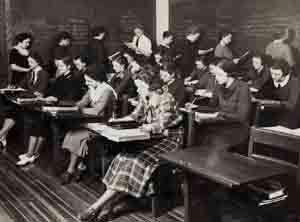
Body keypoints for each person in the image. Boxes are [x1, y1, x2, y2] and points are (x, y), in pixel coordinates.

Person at [77, 79, 183, 222]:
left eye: (140, 87)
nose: (138, 90)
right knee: (123, 158)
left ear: (149, 87)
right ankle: (105, 207)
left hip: (169, 141)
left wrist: (149, 126)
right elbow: (134, 116)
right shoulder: (145, 98)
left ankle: (96, 208)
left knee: (136, 161)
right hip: (152, 139)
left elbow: (162, 123)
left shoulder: (165, 98)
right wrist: (116, 122)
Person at [16, 56, 85, 166]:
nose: (59, 68)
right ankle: (33, 154)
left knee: (39, 123)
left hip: (65, 111)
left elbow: (72, 99)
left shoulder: (73, 79)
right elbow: (51, 91)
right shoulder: (61, 77)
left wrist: (56, 99)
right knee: (38, 123)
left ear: (68, 66)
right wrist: (46, 96)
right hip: (54, 107)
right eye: (59, 66)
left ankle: (30, 154)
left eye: (62, 66)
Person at [60, 68, 116, 184]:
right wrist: (75, 106)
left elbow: (97, 111)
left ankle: (71, 170)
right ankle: (80, 166)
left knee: (76, 136)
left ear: (97, 79)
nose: (87, 83)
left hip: (105, 124)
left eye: (89, 81)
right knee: (71, 133)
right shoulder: (93, 88)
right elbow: (83, 102)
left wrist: (79, 109)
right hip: (93, 122)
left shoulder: (107, 91)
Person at [194, 59, 251, 151]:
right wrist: (195, 108)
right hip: (221, 123)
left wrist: (217, 115)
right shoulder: (219, 86)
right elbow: (212, 107)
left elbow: (241, 117)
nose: (216, 78)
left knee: (214, 142)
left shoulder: (243, 87)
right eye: (215, 75)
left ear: (230, 74)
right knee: (197, 135)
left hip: (237, 129)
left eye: (219, 75)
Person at [255, 59, 300, 128]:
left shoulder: (295, 83)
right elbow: (260, 94)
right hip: (274, 116)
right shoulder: (272, 79)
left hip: (290, 120)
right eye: (271, 73)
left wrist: (271, 102)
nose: (273, 76)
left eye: (277, 74)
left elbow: (291, 105)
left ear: (285, 73)